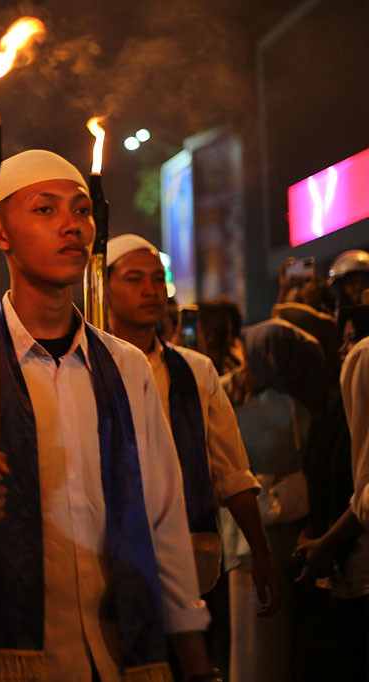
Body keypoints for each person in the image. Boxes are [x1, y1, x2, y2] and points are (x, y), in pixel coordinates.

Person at [0, 150, 215, 682]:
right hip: (12, 663)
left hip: (127, 654)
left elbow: (162, 521)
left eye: (82, 210)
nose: (73, 226)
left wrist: (197, 665)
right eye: (45, 211)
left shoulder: (125, 366)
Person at [106, 234, 278, 606]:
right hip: (107, 568)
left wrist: (261, 551)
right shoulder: (88, 368)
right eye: (134, 279)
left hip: (186, 560)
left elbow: (231, 471)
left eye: (156, 279)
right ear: (103, 288)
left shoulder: (196, 371)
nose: (151, 290)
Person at [220, 318, 324, 682]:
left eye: (251, 359)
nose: (245, 366)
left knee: (254, 645)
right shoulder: (306, 406)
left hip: (247, 538)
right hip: (293, 534)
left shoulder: (246, 402)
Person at [294, 304, 369, 681]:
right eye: (343, 342)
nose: (346, 352)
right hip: (339, 564)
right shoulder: (337, 408)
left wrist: (327, 541)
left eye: (353, 341)